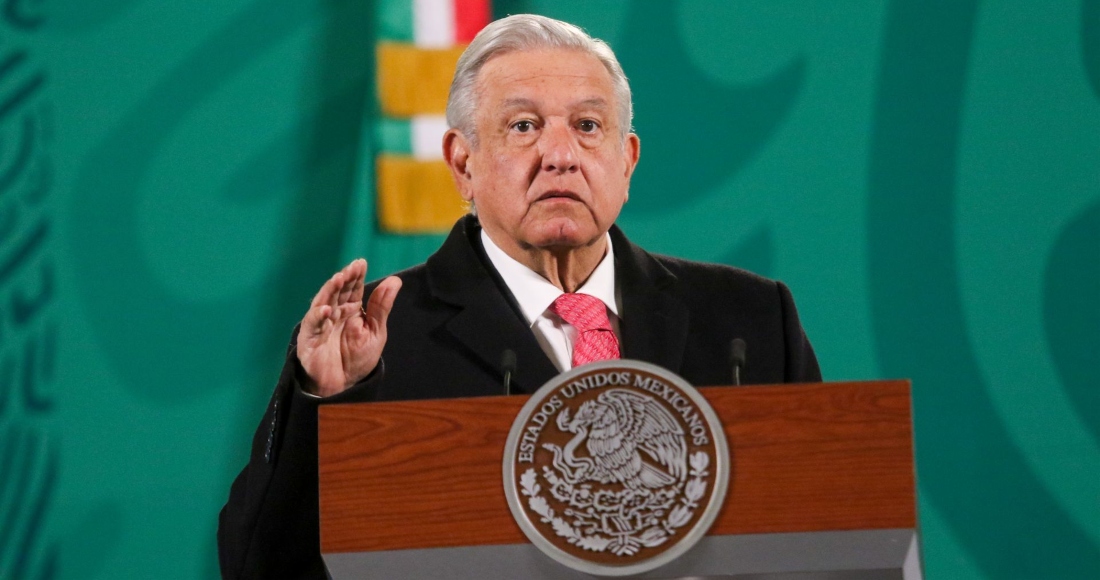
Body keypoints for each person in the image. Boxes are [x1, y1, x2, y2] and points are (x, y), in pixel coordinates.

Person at [218, 14, 820, 579]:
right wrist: (325, 402)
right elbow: (263, 567)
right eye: (523, 127)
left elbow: (831, 532)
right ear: (462, 163)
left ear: (627, 159)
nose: (560, 157)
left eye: (587, 126)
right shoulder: (374, 339)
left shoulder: (749, 321)